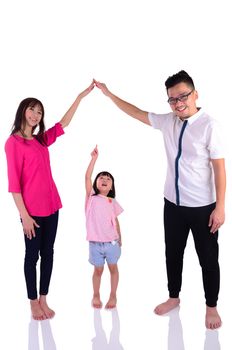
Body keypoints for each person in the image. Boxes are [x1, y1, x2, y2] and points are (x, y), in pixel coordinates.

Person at [93, 71, 226, 329]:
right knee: (172, 253)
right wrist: (109, 95)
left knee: (208, 259)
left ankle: (211, 306)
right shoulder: (169, 122)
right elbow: (136, 112)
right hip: (173, 205)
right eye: (172, 99)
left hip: (203, 208)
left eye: (183, 96)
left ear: (195, 94)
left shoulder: (210, 126)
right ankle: (173, 297)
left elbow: (219, 169)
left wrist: (220, 207)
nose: (178, 103)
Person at [5, 81, 95, 320]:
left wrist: (79, 97)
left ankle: (44, 298)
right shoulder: (13, 143)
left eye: (40, 112)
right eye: (32, 110)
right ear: (23, 111)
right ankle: (33, 302)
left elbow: (63, 123)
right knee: (31, 256)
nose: (36, 115)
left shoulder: (40, 141)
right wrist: (24, 215)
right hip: (31, 212)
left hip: (52, 205)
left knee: (49, 253)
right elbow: (14, 184)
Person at [85, 145, 123, 309]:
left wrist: (120, 237)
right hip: (95, 244)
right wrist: (93, 159)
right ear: (96, 183)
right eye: (101, 178)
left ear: (112, 186)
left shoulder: (112, 201)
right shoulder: (91, 197)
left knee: (113, 269)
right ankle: (96, 294)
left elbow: (115, 220)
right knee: (98, 271)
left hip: (112, 243)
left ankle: (113, 295)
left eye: (108, 178)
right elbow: (87, 178)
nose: (105, 179)